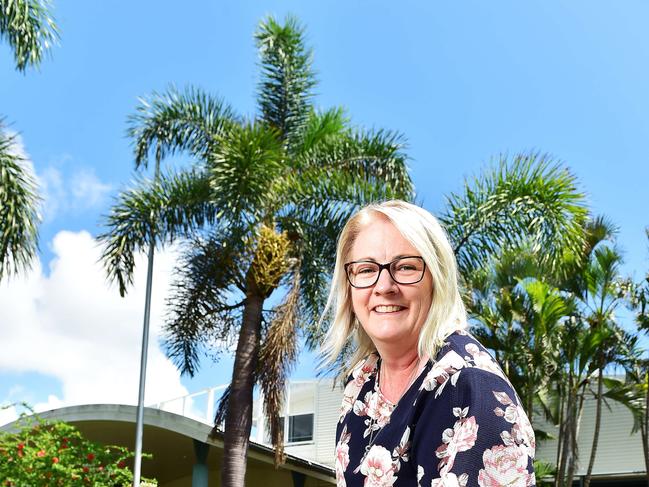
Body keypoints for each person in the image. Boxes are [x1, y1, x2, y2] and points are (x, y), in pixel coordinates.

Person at [321, 200, 535, 487]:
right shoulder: (361, 384)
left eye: (406, 267)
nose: (384, 287)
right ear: (348, 286)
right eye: (366, 270)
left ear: (437, 278)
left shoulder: (471, 387)